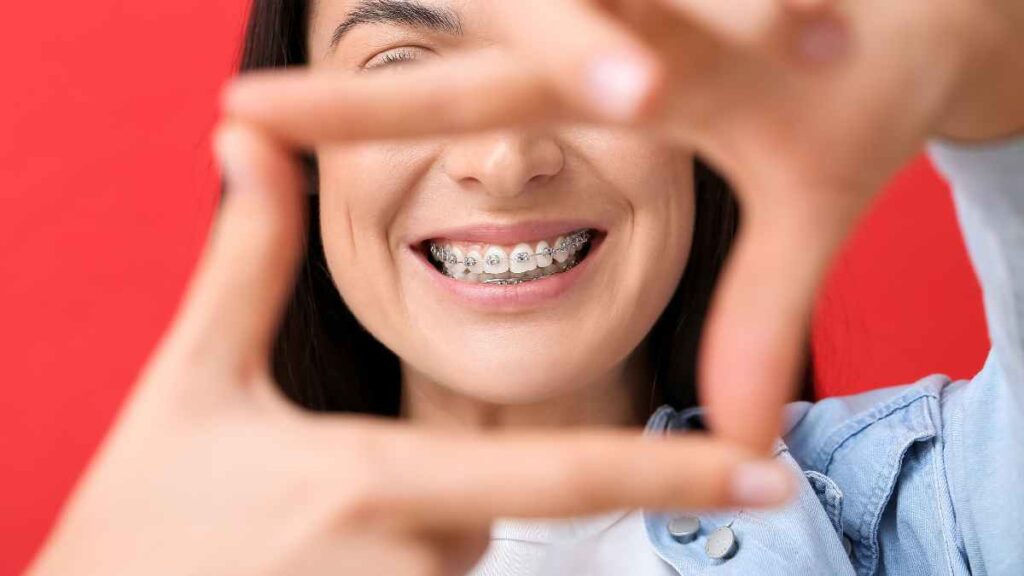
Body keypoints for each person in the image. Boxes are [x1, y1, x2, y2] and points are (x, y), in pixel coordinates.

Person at [27, 0, 1023, 574]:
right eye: (401, 64)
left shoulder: (916, 511)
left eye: (587, 74)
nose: (504, 161)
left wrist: (998, 90)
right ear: (309, 151)